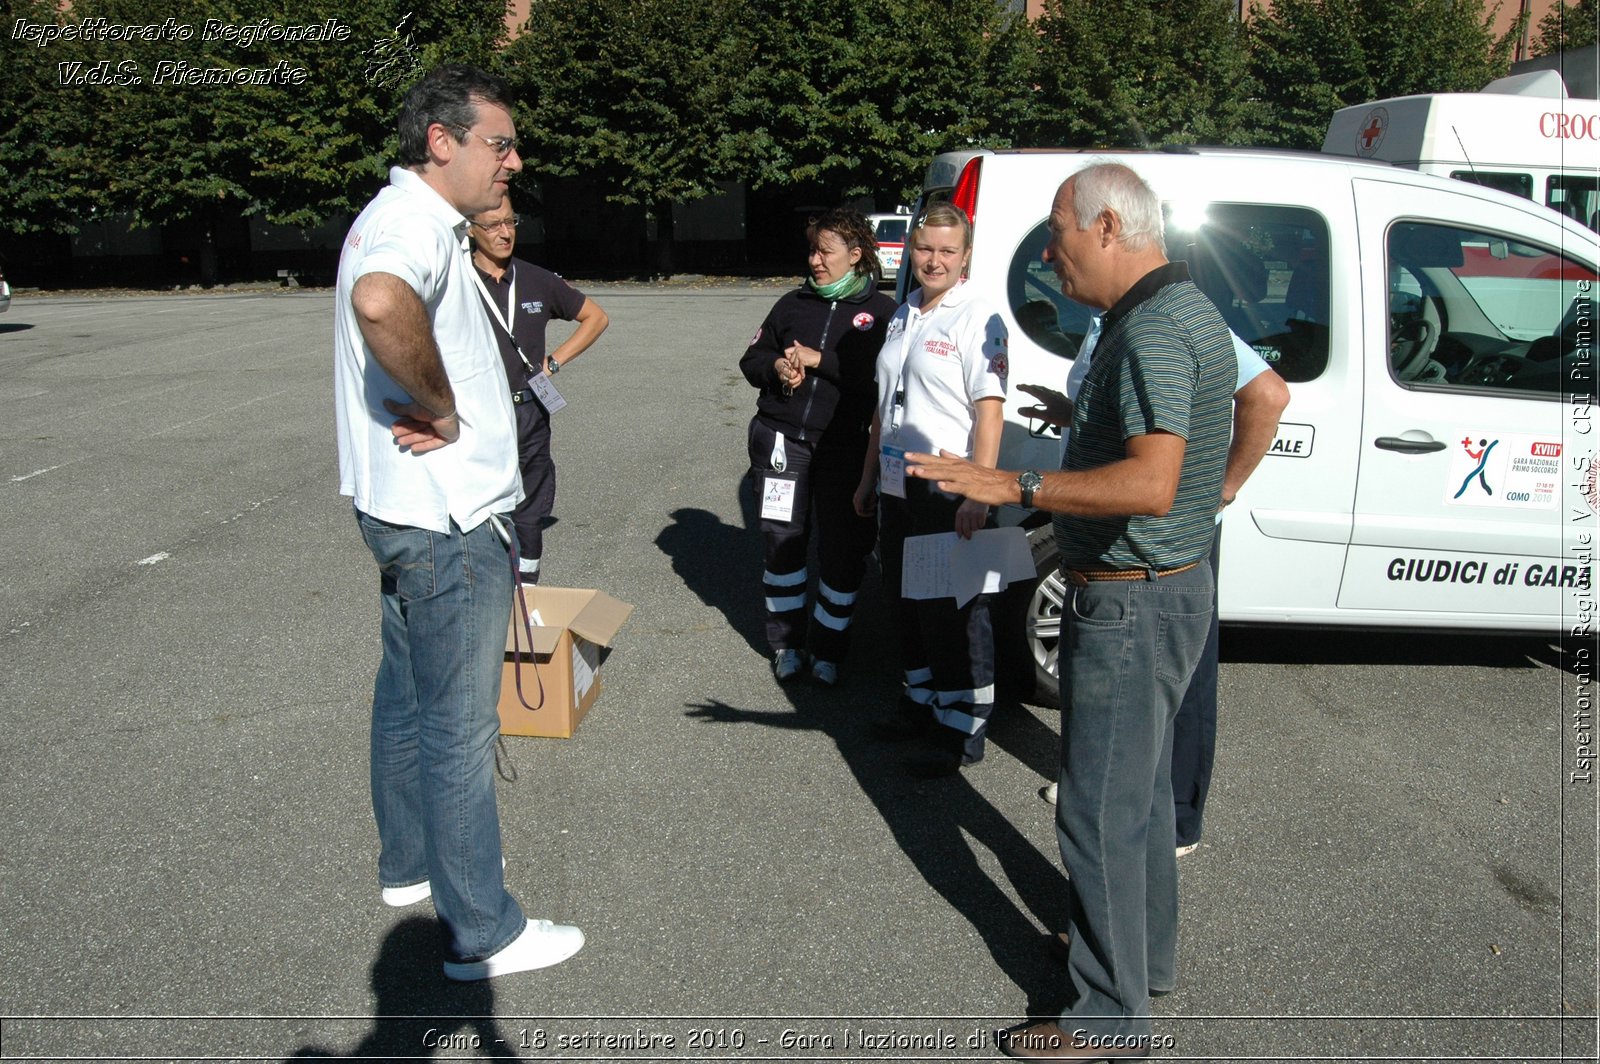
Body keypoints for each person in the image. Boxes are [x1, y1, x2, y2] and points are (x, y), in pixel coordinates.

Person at [905, 164, 1234, 1059]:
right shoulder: (1182, 308)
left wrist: (1018, 481)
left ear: (1109, 230)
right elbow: (1245, 411)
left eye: (1058, 234)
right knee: (1140, 803)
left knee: (1094, 812)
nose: (1049, 254)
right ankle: (1137, 961)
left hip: (1131, 604)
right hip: (1165, 591)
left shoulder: (1156, 331)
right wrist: (1214, 498)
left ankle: (1109, 1016)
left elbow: (1153, 482)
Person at [333, 64, 583, 982]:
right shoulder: (412, 227)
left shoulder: (404, 218)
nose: (512, 161)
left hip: (404, 513)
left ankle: (411, 867)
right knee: (457, 725)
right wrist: (439, 408)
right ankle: (483, 927)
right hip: (447, 521)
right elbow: (380, 302)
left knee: (404, 698)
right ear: (441, 142)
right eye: (498, 143)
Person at [1027, 320, 1290, 859]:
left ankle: (1176, 820)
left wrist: (1225, 487)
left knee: (1178, 676)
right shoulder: (1104, 322)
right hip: (1111, 533)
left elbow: (1269, 394)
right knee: (1118, 676)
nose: (1053, 258)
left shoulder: (1172, 318)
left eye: (1062, 237)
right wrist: (1070, 412)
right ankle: (1109, 790)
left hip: (1166, 536)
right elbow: (1140, 417)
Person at [855, 204, 1008, 778]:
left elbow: (988, 413)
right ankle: (919, 704)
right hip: (898, 482)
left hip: (948, 485)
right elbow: (882, 407)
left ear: (965, 257)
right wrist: (868, 478)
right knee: (904, 599)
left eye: (948, 251)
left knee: (954, 609)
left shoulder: (979, 317)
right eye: (925, 249)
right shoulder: (905, 313)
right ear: (911, 251)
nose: (934, 260)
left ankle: (961, 730)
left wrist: (981, 492)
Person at [739, 210, 897, 685]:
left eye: (825, 251)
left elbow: (879, 382)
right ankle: (786, 644)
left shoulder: (885, 315)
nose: (815, 260)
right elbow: (752, 359)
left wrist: (819, 360)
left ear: (856, 255)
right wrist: (777, 370)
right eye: (812, 250)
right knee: (782, 544)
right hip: (783, 442)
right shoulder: (792, 304)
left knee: (843, 550)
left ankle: (828, 650)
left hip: (846, 447)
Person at [468, 193, 610, 585]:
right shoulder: (455, 280)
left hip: (528, 409)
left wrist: (554, 363)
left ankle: (526, 592)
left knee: (529, 509)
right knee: (477, 506)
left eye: (511, 223)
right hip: (477, 413)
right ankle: (483, 592)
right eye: (493, 225)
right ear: (470, 229)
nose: (504, 233)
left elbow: (595, 318)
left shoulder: (535, 279)